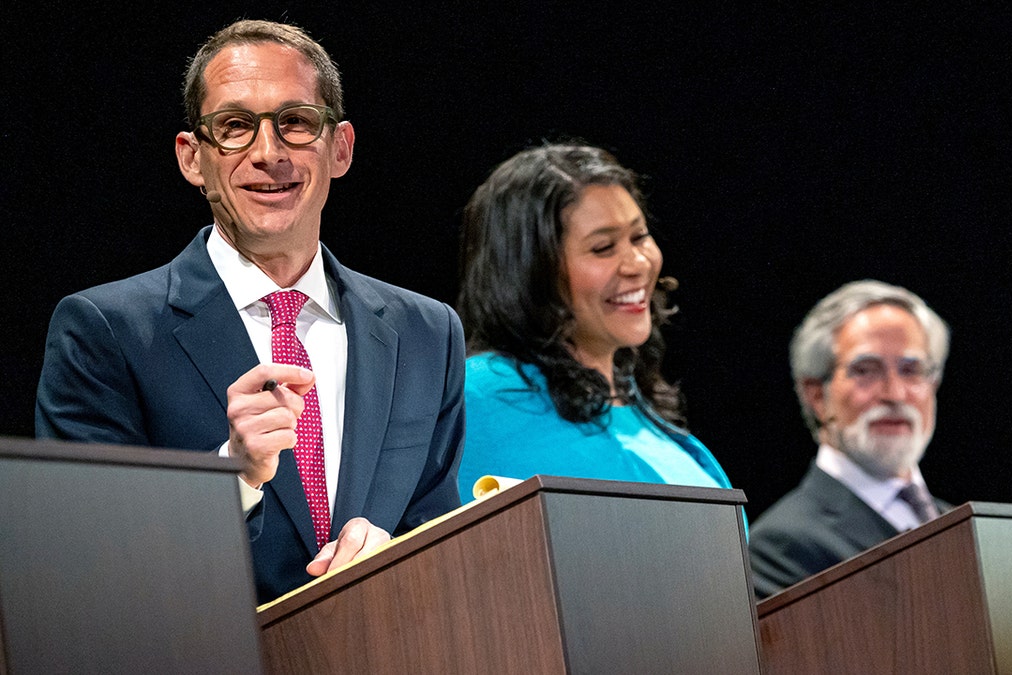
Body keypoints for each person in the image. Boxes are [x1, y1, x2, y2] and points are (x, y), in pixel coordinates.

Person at [35, 20, 465, 603]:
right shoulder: (105, 331)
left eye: (295, 122)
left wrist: (395, 554)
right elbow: (80, 556)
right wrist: (230, 475)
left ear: (339, 148)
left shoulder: (427, 333)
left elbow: (439, 533)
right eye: (235, 127)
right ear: (193, 158)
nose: (269, 154)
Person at [454, 144, 732, 500]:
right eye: (603, 248)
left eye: (639, 237)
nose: (638, 264)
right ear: (529, 271)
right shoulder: (477, 403)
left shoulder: (639, 404)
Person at [748, 280, 953, 598]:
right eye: (866, 370)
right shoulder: (780, 547)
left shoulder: (963, 524)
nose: (895, 394)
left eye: (911, 370)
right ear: (818, 396)